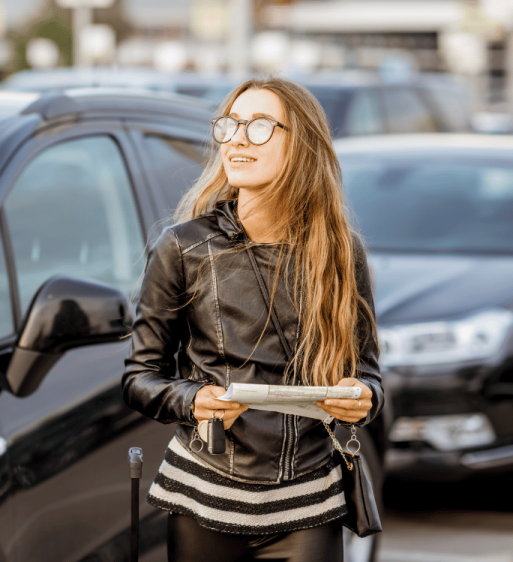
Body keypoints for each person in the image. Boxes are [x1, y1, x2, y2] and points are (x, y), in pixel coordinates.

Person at [122, 77, 383, 562]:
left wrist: (362, 397)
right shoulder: (182, 247)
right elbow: (139, 378)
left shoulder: (342, 252)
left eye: (260, 126)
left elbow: (367, 374)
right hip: (203, 496)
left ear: (300, 143)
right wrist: (194, 398)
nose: (237, 138)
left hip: (308, 500)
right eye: (230, 124)